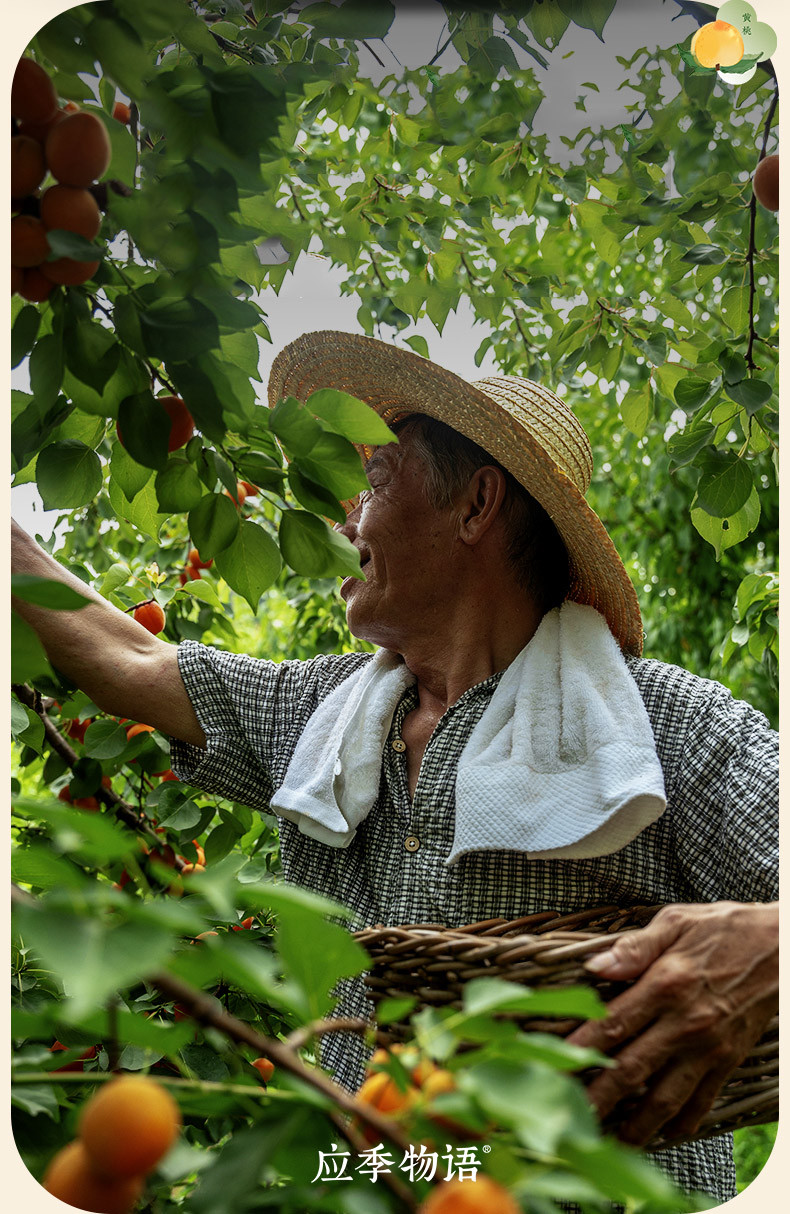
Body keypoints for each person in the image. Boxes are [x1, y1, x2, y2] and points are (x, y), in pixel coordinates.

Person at [11, 330, 778, 1207]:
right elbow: (133, 661)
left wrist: (765, 947)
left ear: (477, 504)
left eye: (376, 480)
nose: (346, 516)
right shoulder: (326, 715)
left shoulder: (663, 727)